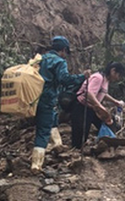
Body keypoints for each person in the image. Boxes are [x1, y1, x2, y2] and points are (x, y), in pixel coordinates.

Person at [31, 36, 86, 172]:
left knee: (53, 118)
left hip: (33, 98)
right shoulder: (59, 62)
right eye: (66, 52)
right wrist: (82, 76)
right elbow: (65, 80)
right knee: (43, 130)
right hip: (47, 99)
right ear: (63, 49)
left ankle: (57, 145)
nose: (66, 55)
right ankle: (36, 164)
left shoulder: (40, 59)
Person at [71, 62, 125, 149]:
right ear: (113, 71)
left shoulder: (105, 80)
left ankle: (107, 144)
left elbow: (103, 93)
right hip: (82, 107)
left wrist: (115, 102)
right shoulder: (98, 77)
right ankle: (75, 153)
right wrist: (100, 107)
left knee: (106, 123)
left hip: (92, 108)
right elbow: (89, 93)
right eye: (118, 75)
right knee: (81, 134)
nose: (118, 78)